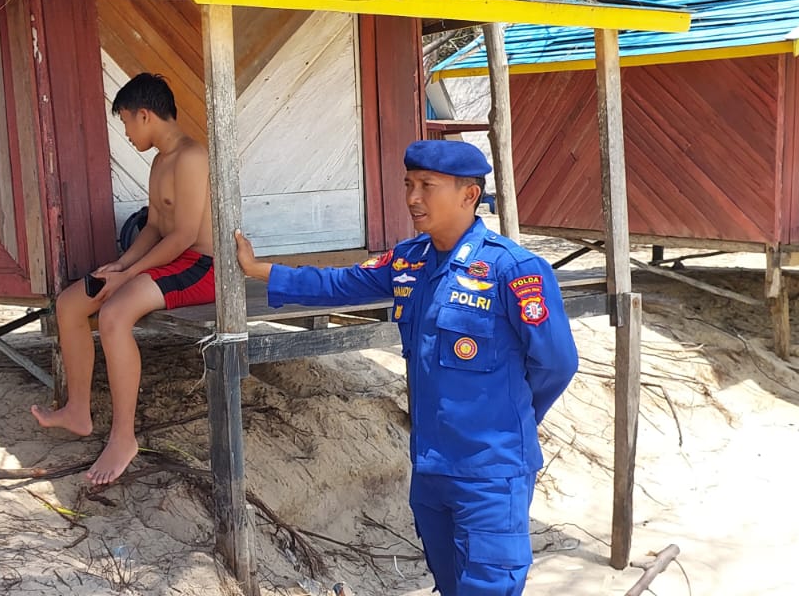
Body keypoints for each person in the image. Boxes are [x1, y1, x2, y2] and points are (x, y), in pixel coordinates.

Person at [235, 140, 579, 596]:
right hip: (431, 470)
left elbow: (556, 363)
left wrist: (513, 419)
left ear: (468, 195)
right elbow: (339, 284)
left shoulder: (512, 270)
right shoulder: (409, 260)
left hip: (491, 474)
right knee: (450, 584)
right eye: (408, 185)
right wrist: (260, 271)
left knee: (490, 588)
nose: (413, 198)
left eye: (426, 186)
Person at [31, 73, 215, 486]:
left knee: (114, 314)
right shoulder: (159, 160)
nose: (128, 132)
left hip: (200, 266)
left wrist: (131, 275)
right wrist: (120, 266)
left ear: (145, 115)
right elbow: (152, 227)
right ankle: (78, 410)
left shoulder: (191, 157)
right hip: (166, 260)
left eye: (127, 122)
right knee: (71, 303)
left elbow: (185, 234)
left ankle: (123, 437)